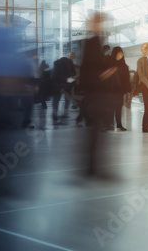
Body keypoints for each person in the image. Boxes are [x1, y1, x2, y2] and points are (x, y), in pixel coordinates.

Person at [79, 13, 118, 177]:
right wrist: (104, 74)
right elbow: (89, 69)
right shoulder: (92, 42)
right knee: (95, 130)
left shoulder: (96, 41)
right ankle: (92, 169)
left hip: (96, 93)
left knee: (96, 131)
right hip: (96, 93)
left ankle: (92, 168)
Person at [52, 51, 76, 124]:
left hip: (57, 84)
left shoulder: (56, 64)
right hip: (67, 84)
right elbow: (74, 74)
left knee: (56, 100)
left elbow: (53, 75)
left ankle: (55, 114)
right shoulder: (70, 63)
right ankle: (65, 113)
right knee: (67, 99)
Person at [111, 47, 131, 131]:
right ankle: (109, 124)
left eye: (121, 54)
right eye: (119, 53)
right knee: (110, 107)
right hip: (111, 90)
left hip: (119, 91)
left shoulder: (124, 66)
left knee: (118, 108)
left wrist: (127, 91)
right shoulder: (110, 64)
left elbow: (127, 79)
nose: (120, 55)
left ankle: (119, 124)